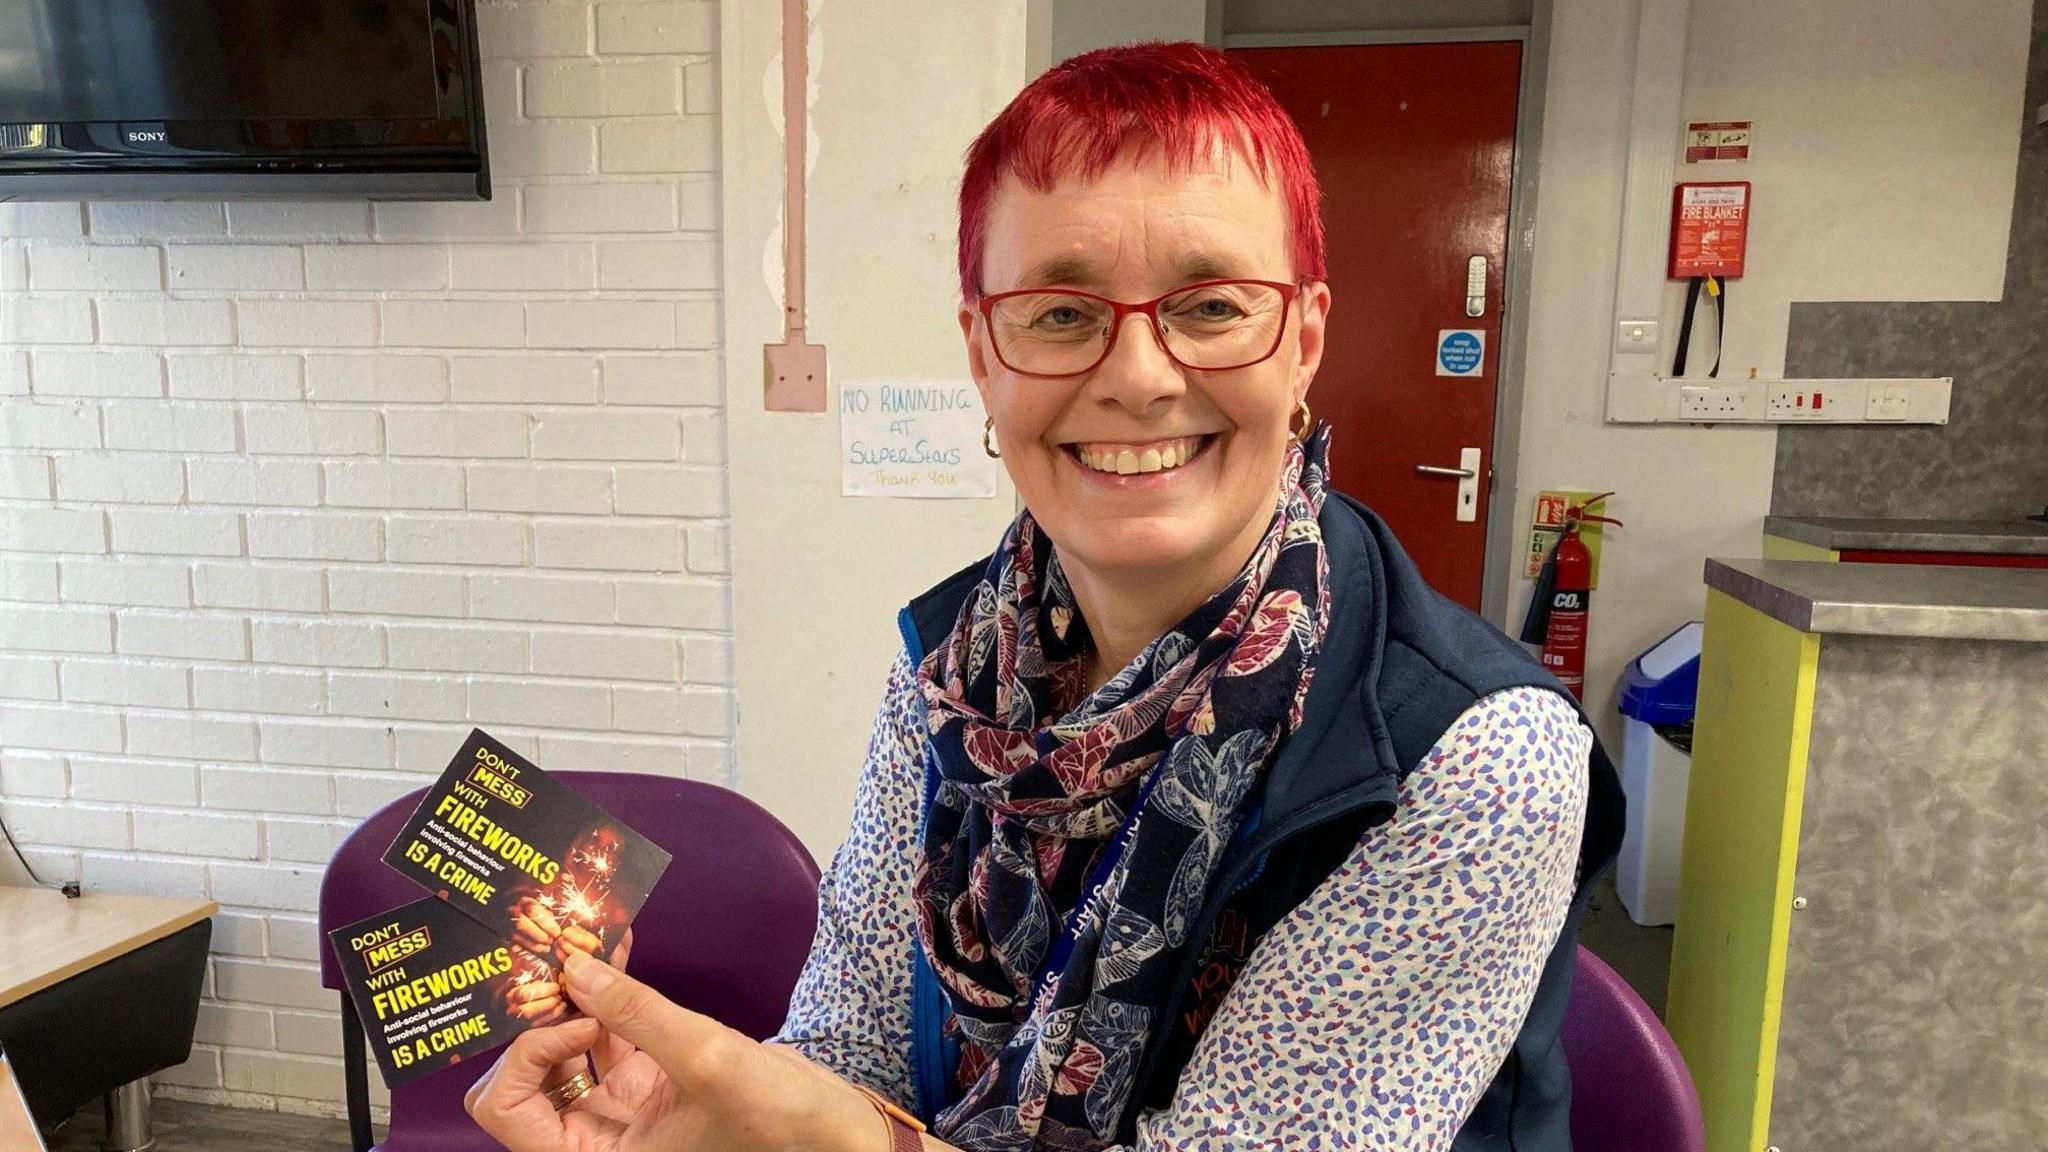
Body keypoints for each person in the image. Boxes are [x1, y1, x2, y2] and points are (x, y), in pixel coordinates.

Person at [466, 40, 1622, 1152]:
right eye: (1059, 315)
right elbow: (849, 1041)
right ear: (983, 352)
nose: (1133, 377)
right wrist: (710, 1107)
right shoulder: (950, 668)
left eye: (1210, 305)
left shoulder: (1472, 756)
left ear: (1303, 340)